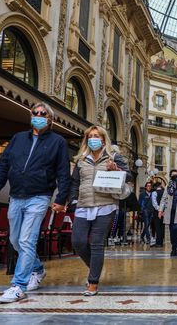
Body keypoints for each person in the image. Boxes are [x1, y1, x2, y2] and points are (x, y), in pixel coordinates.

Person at [0, 103, 70, 303]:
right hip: (16, 196)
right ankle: (38, 269)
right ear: (31, 116)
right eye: (36, 113)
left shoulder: (58, 142)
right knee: (16, 240)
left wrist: (60, 199)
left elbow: (63, 173)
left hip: (39, 197)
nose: (39, 116)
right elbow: (3, 165)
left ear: (50, 119)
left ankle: (18, 285)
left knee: (26, 240)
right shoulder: (17, 139)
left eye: (43, 114)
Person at [69, 126, 130, 296]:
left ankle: (93, 282)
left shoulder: (114, 157)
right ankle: (95, 267)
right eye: (90, 136)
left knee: (97, 243)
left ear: (103, 139)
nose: (93, 139)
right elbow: (74, 182)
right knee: (78, 241)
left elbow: (129, 176)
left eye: (96, 136)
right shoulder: (81, 159)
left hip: (106, 205)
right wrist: (73, 199)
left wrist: (116, 169)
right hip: (83, 204)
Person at [158, 170, 177, 256]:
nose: (174, 176)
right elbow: (163, 199)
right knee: (172, 231)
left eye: (176, 174)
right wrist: (160, 210)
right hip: (169, 211)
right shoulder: (168, 186)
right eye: (173, 175)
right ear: (170, 176)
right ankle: (173, 247)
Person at [151, 182, 165, 247]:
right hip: (164, 211)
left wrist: (159, 210)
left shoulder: (154, 193)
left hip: (157, 212)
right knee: (162, 226)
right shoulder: (164, 192)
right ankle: (161, 241)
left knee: (157, 227)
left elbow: (154, 203)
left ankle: (158, 242)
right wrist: (162, 210)